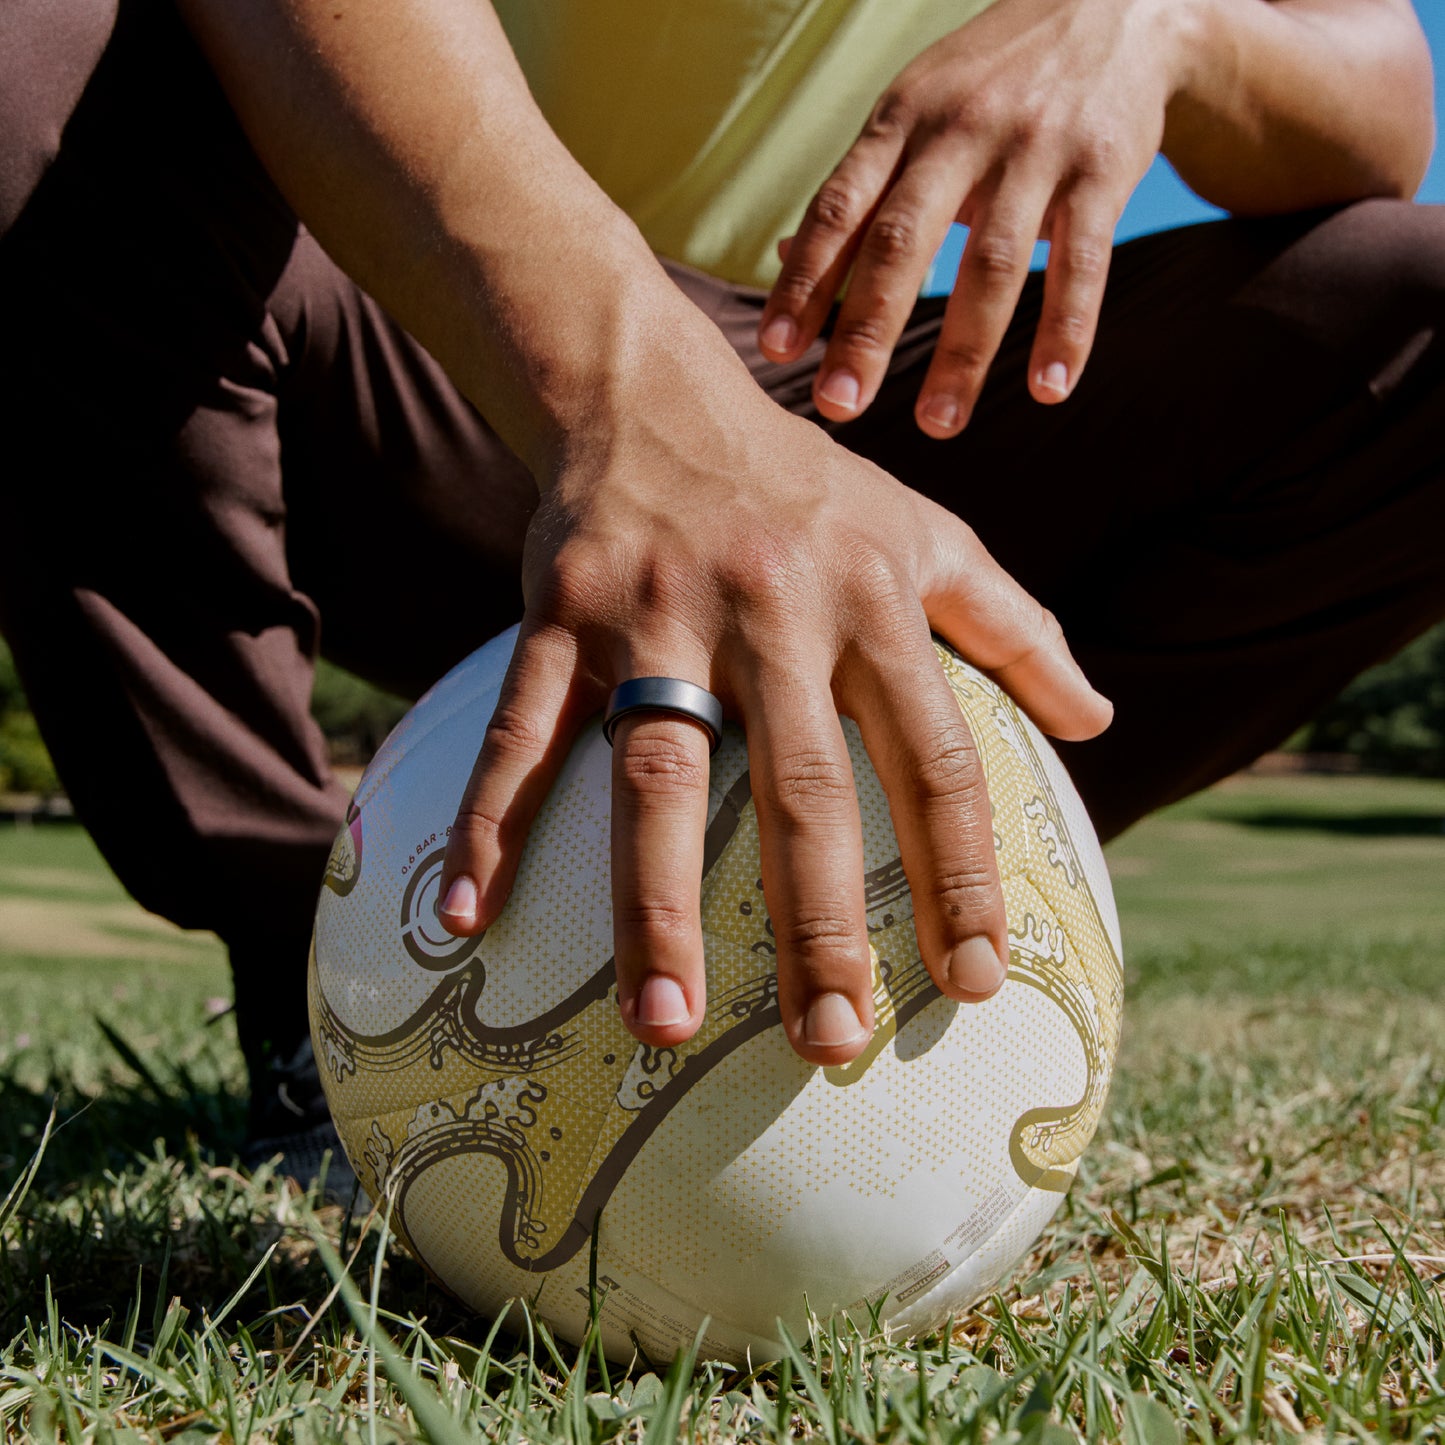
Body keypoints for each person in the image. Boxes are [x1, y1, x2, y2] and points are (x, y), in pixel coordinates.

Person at [1, 0, 1440, 1177]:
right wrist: (635, 401)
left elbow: (1383, 106)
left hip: (848, 369)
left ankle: (941, 865)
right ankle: (324, 971)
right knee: (35, 51)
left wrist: (1160, 26)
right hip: (440, 332)